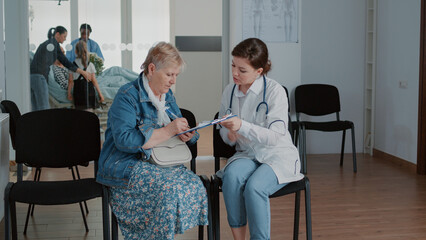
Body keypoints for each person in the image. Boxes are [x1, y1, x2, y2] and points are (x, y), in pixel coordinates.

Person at [96, 42, 208, 239]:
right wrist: (168, 130)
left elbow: (175, 128)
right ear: (152, 69)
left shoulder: (167, 95)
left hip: (159, 162)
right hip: (125, 165)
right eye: (169, 75)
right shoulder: (127, 96)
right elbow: (124, 141)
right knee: (168, 190)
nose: (173, 81)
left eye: (176, 75)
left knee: (195, 185)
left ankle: (159, 234)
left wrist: (186, 134)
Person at [217, 38, 303, 240]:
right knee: (231, 177)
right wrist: (229, 134)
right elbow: (225, 131)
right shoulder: (230, 91)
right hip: (247, 154)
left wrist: (242, 126)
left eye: (242, 70)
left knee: (255, 187)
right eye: (233, 66)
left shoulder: (275, 92)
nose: (235, 73)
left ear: (259, 71)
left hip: (276, 155)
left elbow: (275, 137)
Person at [30, 26, 91, 111]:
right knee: (43, 109)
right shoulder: (53, 44)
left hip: (32, 77)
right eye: (64, 36)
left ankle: (35, 124)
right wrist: (83, 72)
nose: (65, 39)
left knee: (36, 109)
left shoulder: (47, 44)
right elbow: (65, 61)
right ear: (57, 34)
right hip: (39, 77)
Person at [68, 40, 104, 110]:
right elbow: (94, 81)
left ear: (75, 51)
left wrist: (69, 93)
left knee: (80, 115)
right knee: (89, 114)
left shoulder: (72, 65)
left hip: (78, 91)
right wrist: (100, 94)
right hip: (89, 90)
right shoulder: (90, 64)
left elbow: (70, 81)